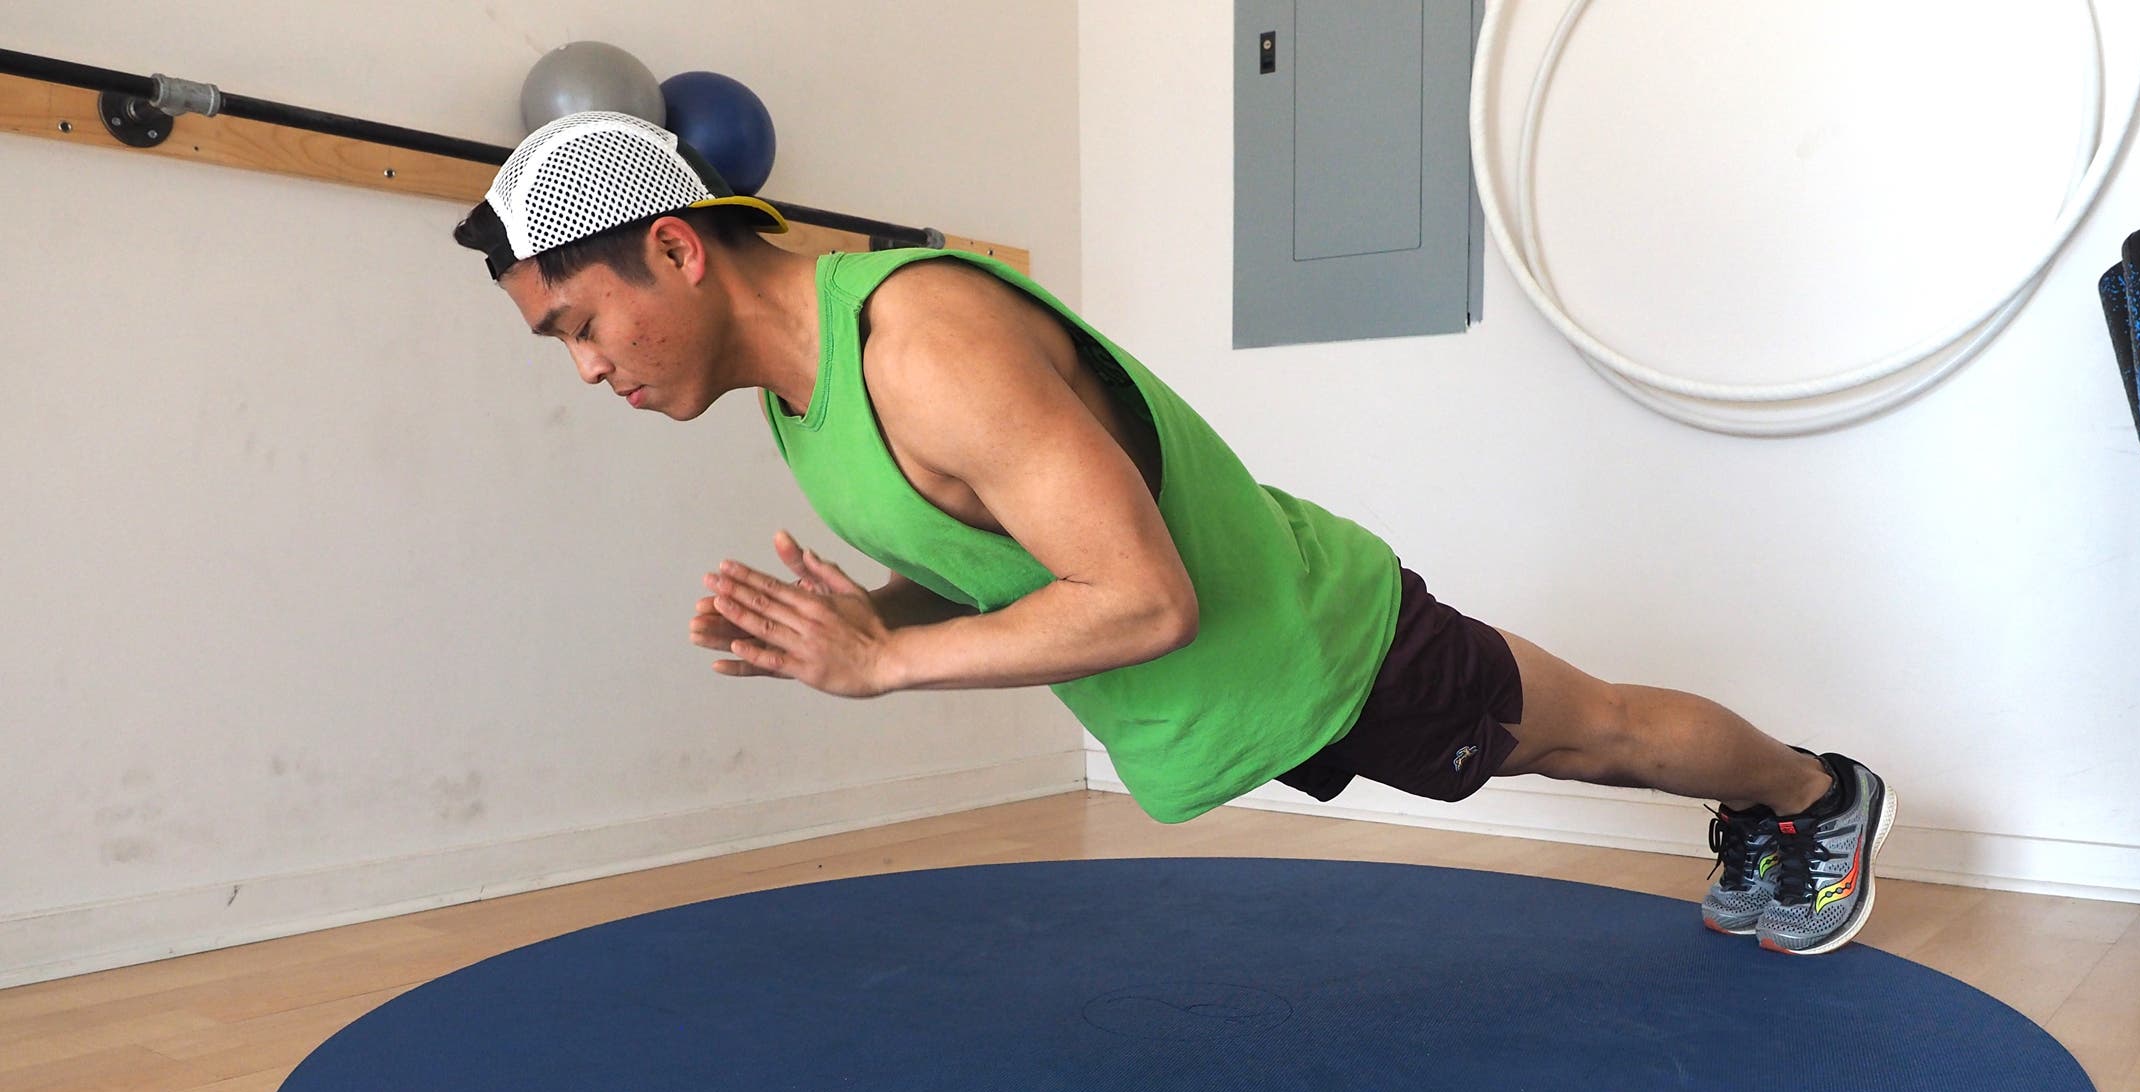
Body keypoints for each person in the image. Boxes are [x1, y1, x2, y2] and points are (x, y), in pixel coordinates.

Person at [452, 112, 1895, 955]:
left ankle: (1814, 792)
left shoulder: (917, 342)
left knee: (1598, 732)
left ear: (677, 249)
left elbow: (1142, 599)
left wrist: (886, 671)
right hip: (1248, 684)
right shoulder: (801, 391)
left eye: (581, 322)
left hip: (1322, 640)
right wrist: (853, 628)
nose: (588, 366)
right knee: (1585, 730)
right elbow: (995, 556)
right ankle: (1781, 802)